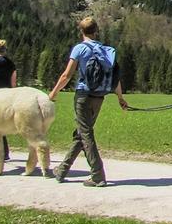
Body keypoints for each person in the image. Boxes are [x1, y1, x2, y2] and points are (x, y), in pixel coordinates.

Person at [49, 17, 128, 187]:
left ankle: (98, 175)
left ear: (81, 31)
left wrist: (53, 93)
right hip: (99, 96)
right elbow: (115, 78)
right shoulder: (107, 51)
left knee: (85, 134)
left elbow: (66, 75)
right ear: (96, 30)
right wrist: (120, 98)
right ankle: (62, 170)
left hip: (84, 94)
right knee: (82, 133)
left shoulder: (80, 48)